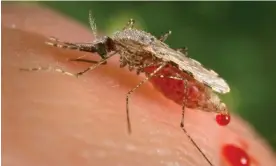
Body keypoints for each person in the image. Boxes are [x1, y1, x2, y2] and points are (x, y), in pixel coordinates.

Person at [2, 3, 275, 166]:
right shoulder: (123, 41)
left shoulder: (124, 44)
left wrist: (128, 97)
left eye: (105, 48)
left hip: (181, 78)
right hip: (163, 63)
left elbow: (143, 54)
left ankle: (186, 130)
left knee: (159, 76)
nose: (104, 50)